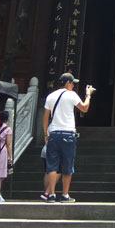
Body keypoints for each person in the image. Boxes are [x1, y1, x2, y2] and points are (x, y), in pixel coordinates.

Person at [41, 72, 94, 203]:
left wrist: (45, 134)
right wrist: (88, 95)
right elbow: (84, 108)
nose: (73, 86)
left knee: (52, 165)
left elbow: (45, 117)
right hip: (68, 134)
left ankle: (51, 194)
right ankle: (65, 195)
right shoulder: (71, 95)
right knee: (68, 165)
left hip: (53, 134)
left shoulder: (51, 96)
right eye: (73, 83)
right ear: (68, 83)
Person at [0, 110, 13, 201]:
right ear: (7, 119)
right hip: (2, 151)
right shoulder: (7, 129)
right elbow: (8, 144)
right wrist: (10, 157)